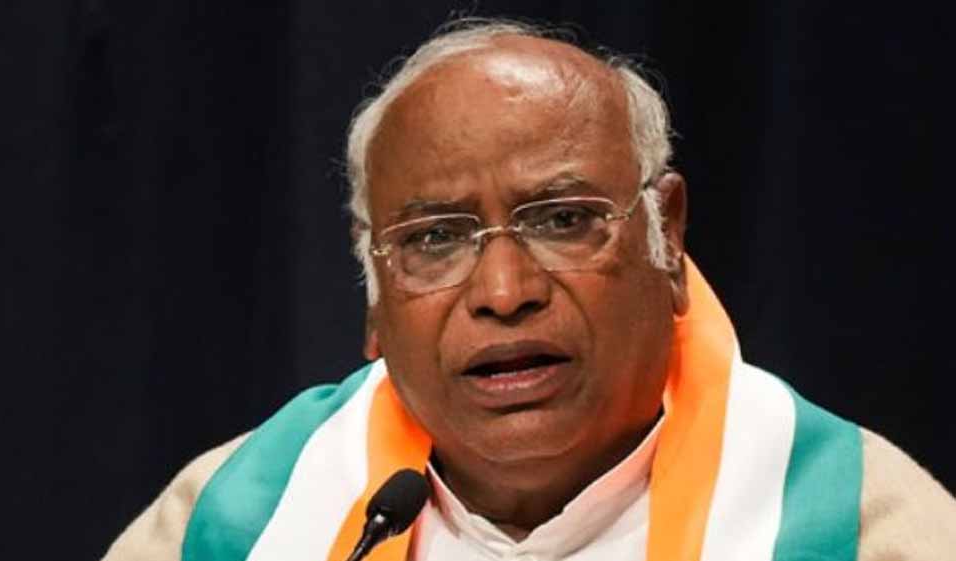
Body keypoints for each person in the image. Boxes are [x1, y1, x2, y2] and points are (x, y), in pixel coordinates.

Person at [102, 19, 956, 561]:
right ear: (372, 296)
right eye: (434, 238)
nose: (504, 292)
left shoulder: (860, 526)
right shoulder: (233, 520)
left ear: (666, 238)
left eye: (562, 219)